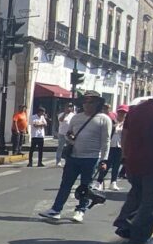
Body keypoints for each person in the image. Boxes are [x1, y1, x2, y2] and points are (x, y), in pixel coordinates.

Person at [113, 81, 153, 244]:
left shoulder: (136, 109)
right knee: (151, 201)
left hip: (134, 162)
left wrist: (125, 155)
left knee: (136, 194)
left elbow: (125, 134)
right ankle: (139, 236)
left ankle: (124, 221)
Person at [39, 90, 111, 223]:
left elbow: (106, 141)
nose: (87, 104)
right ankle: (56, 210)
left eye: (91, 102)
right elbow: (68, 134)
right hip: (74, 156)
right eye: (85, 101)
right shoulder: (76, 118)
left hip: (91, 158)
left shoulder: (104, 119)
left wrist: (104, 160)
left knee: (85, 186)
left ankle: (80, 210)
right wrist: (69, 138)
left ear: (97, 103)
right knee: (65, 184)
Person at [93, 104, 126, 191]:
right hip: (110, 146)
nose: (122, 114)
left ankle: (113, 182)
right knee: (106, 164)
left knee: (116, 166)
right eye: (120, 112)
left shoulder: (126, 124)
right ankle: (99, 182)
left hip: (120, 147)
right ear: (117, 112)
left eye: (124, 113)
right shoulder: (112, 121)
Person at [56, 102, 75, 166]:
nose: (69, 108)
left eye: (70, 107)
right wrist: (65, 113)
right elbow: (61, 120)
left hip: (69, 134)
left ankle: (68, 161)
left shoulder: (73, 115)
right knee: (60, 148)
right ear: (65, 108)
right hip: (62, 133)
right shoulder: (61, 114)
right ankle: (58, 161)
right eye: (67, 107)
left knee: (69, 148)